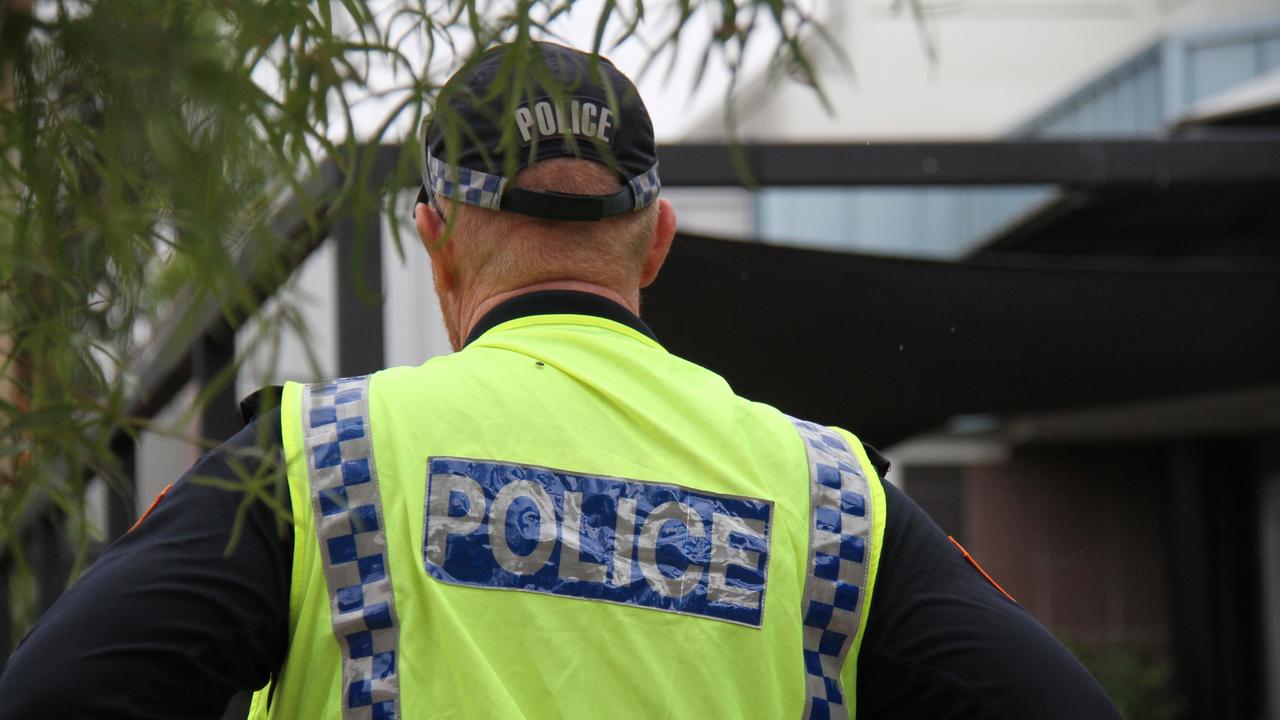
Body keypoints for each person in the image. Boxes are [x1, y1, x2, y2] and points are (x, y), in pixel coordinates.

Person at [0, 42, 1120, 720]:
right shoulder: (829, 503)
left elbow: (53, 698)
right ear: (657, 242)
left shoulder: (316, 466)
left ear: (434, 241)